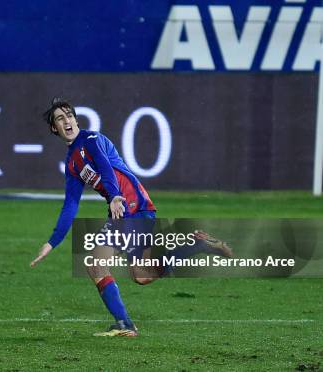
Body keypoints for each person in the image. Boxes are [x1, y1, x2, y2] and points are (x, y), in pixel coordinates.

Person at [30, 98, 232, 337]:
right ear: (55, 128)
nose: (67, 120)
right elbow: (71, 204)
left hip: (132, 204)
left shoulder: (90, 140)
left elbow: (105, 166)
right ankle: (198, 245)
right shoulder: (72, 164)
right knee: (142, 276)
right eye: (60, 118)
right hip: (126, 209)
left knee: (96, 264)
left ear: (76, 119)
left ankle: (125, 324)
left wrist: (114, 195)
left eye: (70, 115)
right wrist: (52, 242)